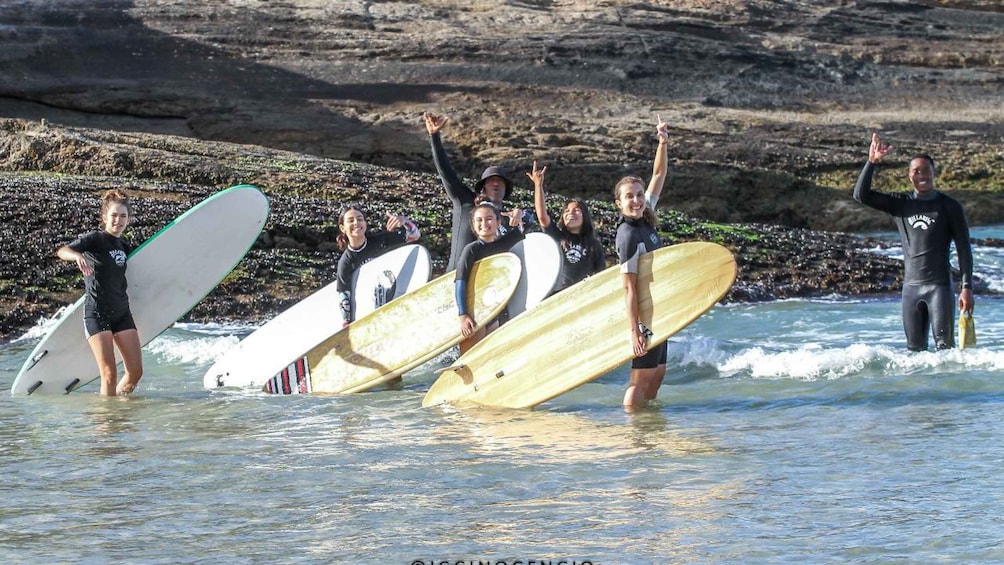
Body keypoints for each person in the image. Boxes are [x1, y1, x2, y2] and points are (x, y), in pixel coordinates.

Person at [853, 133, 974, 351]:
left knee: (945, 349)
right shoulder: (901, 204)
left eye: (926, 170)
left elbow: (964, 249)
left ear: (934, 173)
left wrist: (967, 288)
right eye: (916, 171)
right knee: (914, 350)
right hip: (910, 288)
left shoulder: (949, 206)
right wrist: (871, 162)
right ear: (909, 176)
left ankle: (947, 386)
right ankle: (920, 387)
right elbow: (861, 195)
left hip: (940, 287)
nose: (922, 175)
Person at [57, 189, 142, 396]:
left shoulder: (124, 246)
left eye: (123, 216)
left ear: (128, 219)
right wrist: (77, 256)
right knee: (109, 374)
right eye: (114, 215)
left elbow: (139, 280)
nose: (118, 220)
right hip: (97, 313)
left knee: (135, 372)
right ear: (105, 217)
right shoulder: (95, 239)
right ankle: (107, 424)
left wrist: (169, 312)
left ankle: (120, 412)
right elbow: (62, 251)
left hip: (122, 313)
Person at [424, 112, 525, 271]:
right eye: (491, 181)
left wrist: (523, 215)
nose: (496, 184)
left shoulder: (508, 218)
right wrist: (434, 136)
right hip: (455, 278)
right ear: (483, 187)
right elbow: (446, 172)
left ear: (506, 189)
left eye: (500, 182)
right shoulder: (465, 201)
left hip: (488, 283)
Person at [615, 117, 670, 408]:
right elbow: (628, 288)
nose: (636, 200)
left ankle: (647, 427)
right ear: (619, 203)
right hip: (644, 314)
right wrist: (635, 328)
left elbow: (659, 174)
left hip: (659, 309)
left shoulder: (646, 218)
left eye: (639, 195)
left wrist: (662, 141)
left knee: (658, 373)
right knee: (641, 378)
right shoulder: (627, 235)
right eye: (629, 197)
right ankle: (632, 432)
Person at [455, 201, 525, 353]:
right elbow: (460, 281)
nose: (484, 223)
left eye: (489, 219)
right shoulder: (471, 249)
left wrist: (519, 212)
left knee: (490, 358)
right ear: (473, 225)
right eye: (479, 220)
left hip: (495, 310)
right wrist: (463, 314)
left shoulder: (505, 244)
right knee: (471, 359)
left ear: (498, 222)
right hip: (475, 313)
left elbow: (531, 222)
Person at [334, 204, 421, 328]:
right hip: (370, 315)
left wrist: (404, 221)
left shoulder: (380, 241)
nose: (356, 223)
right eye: (350, 220)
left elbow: (415, 235)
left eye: (360, 219)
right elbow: (344, 296)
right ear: (342, 228)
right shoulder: (346, 262)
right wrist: (347, 323)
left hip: (393, 301)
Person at [527, 160, 606, 291]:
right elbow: (542, 216)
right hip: (558, 293)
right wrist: (538, 185)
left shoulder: (593, 244)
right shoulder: (557, 236)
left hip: (583, 293)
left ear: (585, 216)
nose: (571, 214)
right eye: (567, 211)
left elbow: (601, 274)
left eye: (576, 210)